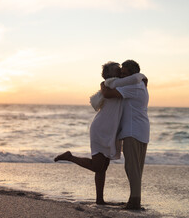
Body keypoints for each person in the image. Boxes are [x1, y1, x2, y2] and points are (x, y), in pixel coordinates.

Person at [54, 61, 146, 205]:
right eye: (117, 70)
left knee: (102, 167)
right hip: (101, 128)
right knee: (98, 166)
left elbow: (134, 80)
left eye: (121, 70)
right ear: (109, 74)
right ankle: (70, 157)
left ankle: (99, 200)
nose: (120, 72)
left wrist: (142, 79)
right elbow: (133, 79)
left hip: (109, 130)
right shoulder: (111, 83)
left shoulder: (121, 83)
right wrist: (142, 76)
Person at [101, 60, 149, 210]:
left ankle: (134, 202)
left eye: (124, 74)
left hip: (133, 131)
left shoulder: (133, 86)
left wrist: (102, 85)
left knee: (131, 167)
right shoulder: (139, 85)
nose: (121, 77)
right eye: (121, 73)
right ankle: (134, 199)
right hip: (140, 129)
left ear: (132, 74)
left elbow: (108, 94)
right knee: (136, 168)